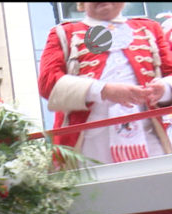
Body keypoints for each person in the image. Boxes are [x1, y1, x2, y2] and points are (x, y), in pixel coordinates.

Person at [38, 2, 172, 165]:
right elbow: (47, 83)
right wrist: (103, 90)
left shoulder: (149, 29)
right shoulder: (64, 33)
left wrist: (163, 88)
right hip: (88, 149)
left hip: (151, 144)